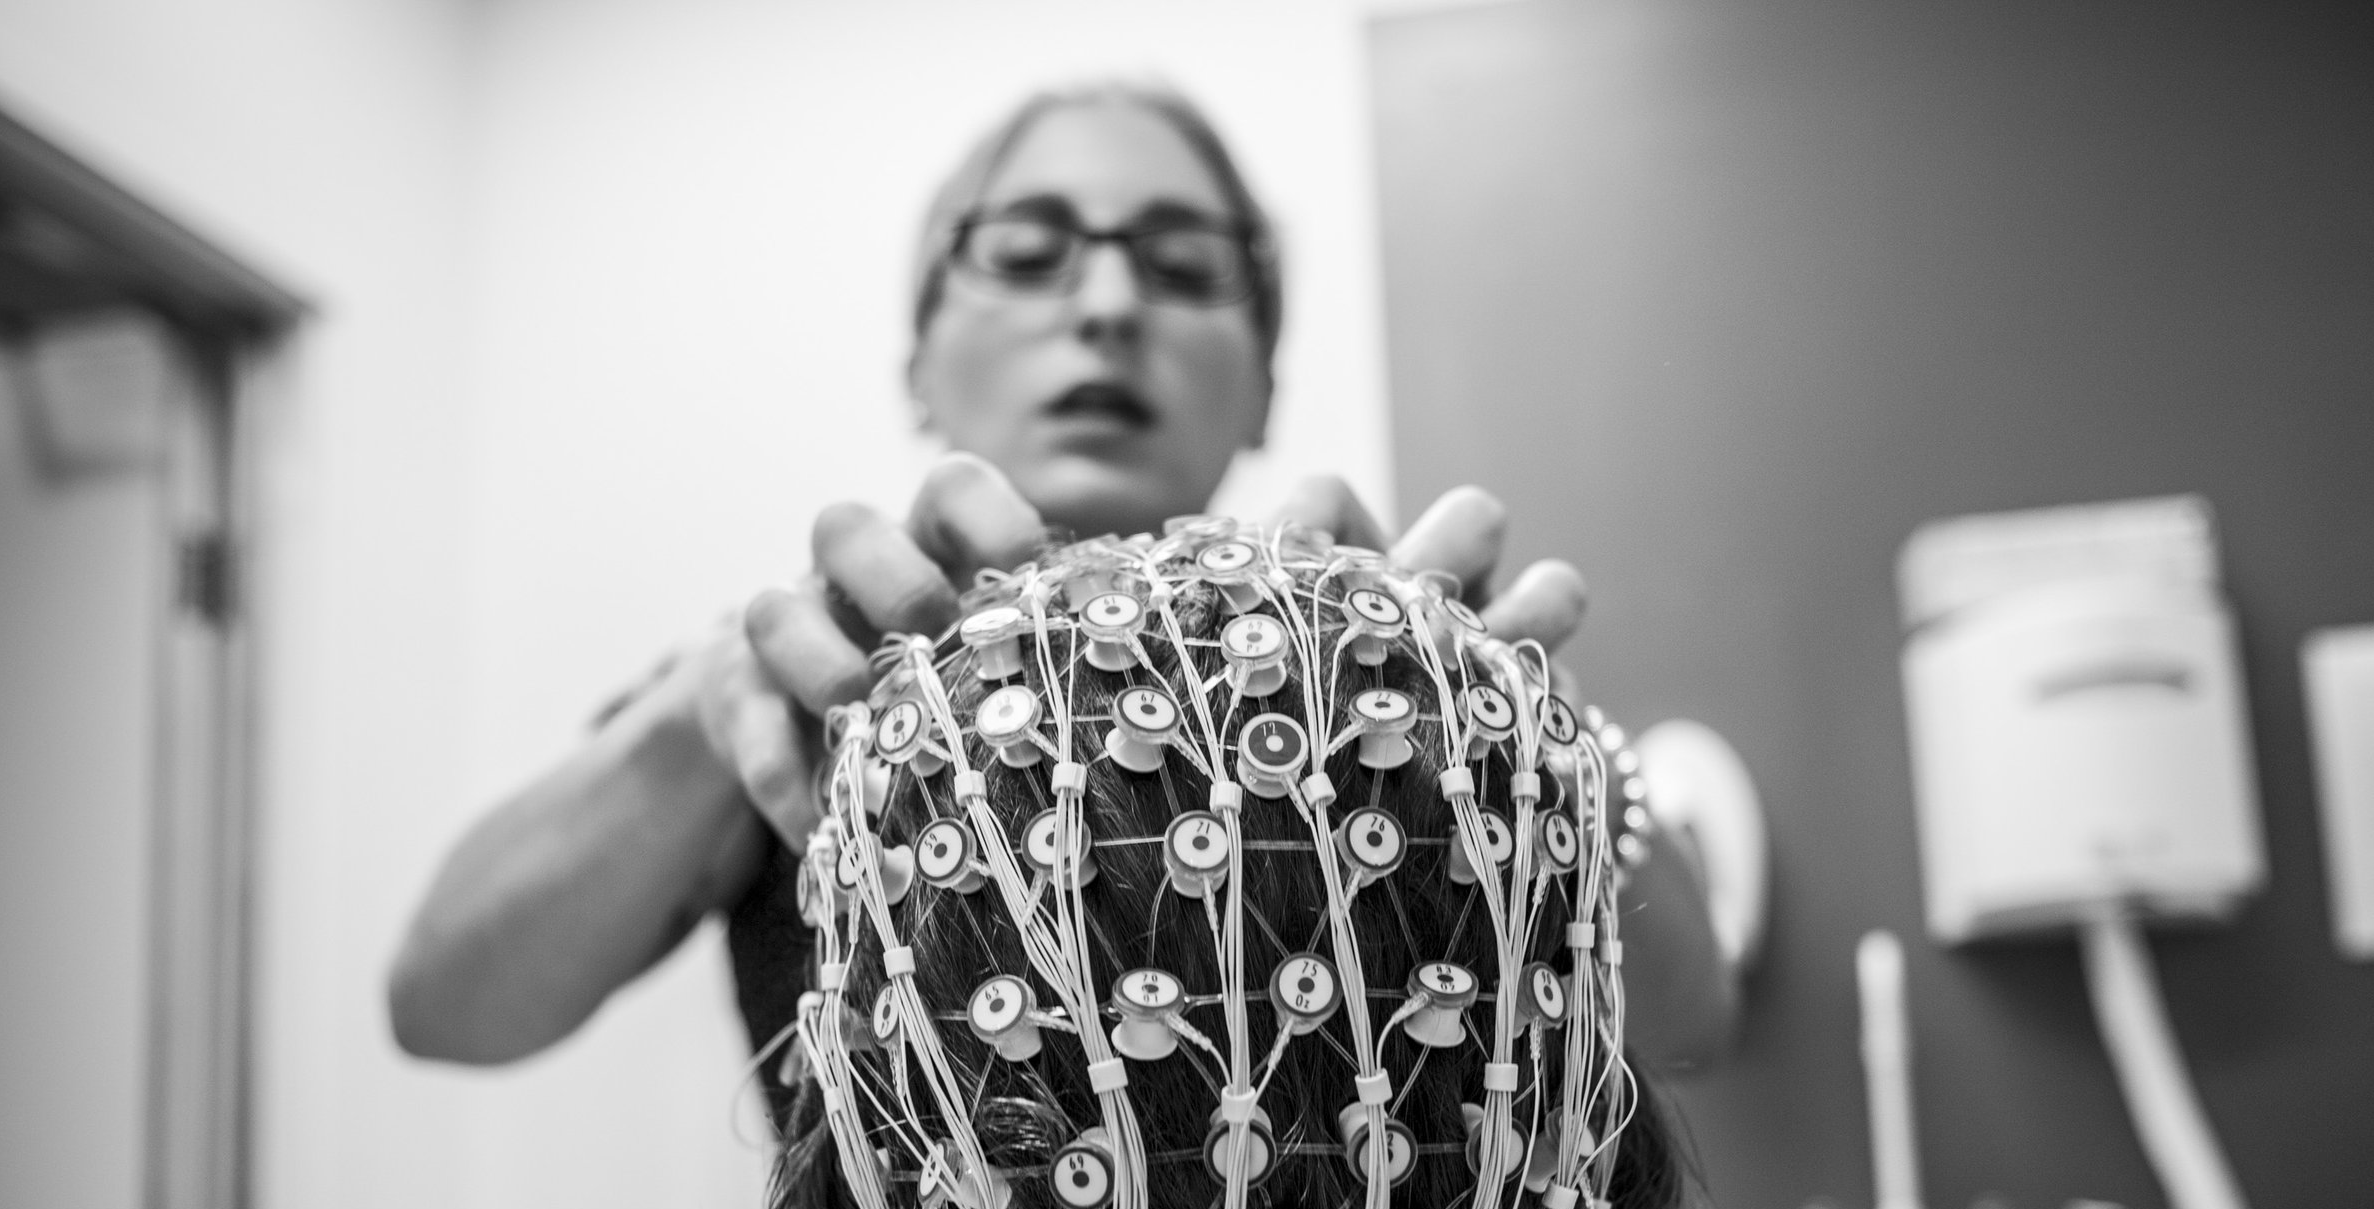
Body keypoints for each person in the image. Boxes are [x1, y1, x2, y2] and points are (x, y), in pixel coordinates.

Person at [386, 83, 1739, 1089]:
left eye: (1184, 267)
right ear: (920, 363)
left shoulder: (1394, 682)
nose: (1106, 305)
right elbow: (447, 1005)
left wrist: (1513, 733)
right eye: (1027, 256)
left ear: (1263, 381)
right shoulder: (794, 679)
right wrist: (693, 718)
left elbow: (1692, 1022)